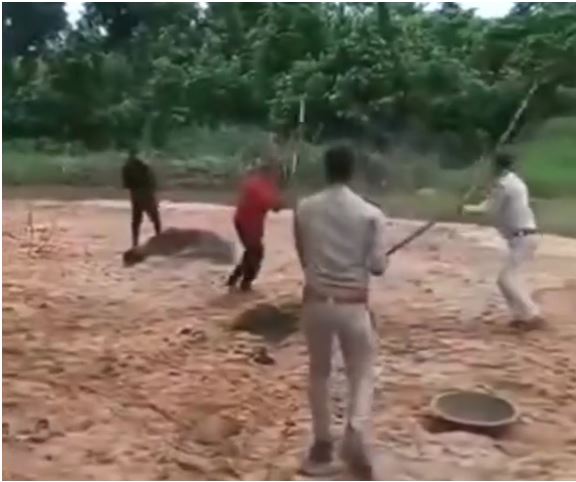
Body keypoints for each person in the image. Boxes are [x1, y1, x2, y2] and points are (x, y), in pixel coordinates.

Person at [293, 144, 388, 479]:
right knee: (361, 371)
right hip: (352, 304)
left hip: (316, 301)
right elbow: (377, 267)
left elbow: (303, 256)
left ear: (326, 170)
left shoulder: (305, 208)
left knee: (319, 372)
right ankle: (356, 430)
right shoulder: (371, 214)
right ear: (352, 171)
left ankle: (322, 442)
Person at [463, 151, 542, 329]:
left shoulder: (503, 185)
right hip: (524, 236)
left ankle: (531, 314)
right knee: (508, 278)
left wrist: (465, 209)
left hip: (522, 237)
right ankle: (520, 316)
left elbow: (489, 209)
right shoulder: (514, 181)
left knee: (506, 279)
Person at [226, 162, 283, 291]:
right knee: (256, 252)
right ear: (268, 173)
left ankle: (234, 279)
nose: (278, 175)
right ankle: (245, 283)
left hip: (248, 222)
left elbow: (275, 205)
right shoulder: (259, 187)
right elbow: (276, 207)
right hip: (248, 224)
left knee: (251, 252)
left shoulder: (261, 184)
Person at [122, 227, 235, 267]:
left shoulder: (152, 246)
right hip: (200, 238)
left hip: (200, 238)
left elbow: (171, 232)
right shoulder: (153, 248)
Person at [122, 148, 161, 247]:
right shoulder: (144, 165)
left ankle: (135, 243)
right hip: (146, 194)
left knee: (136, 220)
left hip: (135, 194)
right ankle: (159, 238)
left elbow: (126, 184)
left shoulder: (126, 167)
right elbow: (151, 180)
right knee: (155, 218)